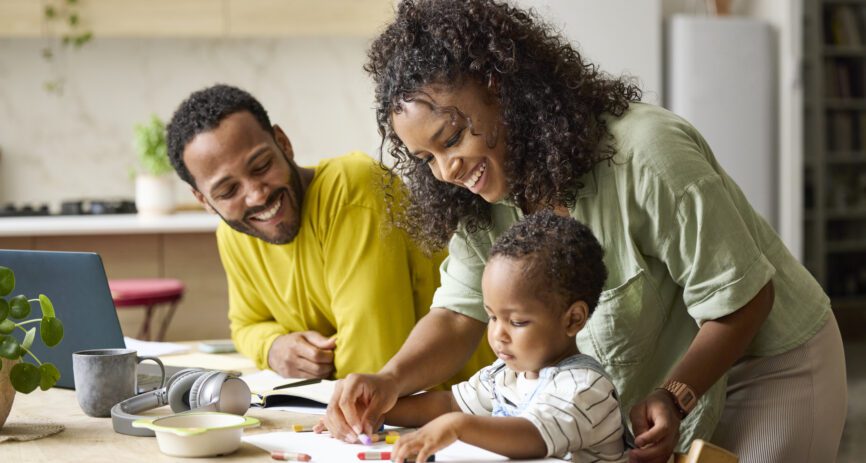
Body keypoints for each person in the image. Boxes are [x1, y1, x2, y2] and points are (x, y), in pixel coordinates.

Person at [325, 1, 848, 462]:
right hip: (665, 395)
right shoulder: (481, 198)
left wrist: (676, 394)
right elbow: (456, 313)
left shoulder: (646, 154)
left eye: (453, 137)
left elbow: (744, 298)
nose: (446, 171)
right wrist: (389, 381)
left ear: (500, 86)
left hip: (768, 368)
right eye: (426, 158)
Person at [165, 84, 494, 381]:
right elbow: (245, 325)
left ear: (283, 143)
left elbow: (372, 365)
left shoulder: (353, 190)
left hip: (465, 408)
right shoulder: (235, 233)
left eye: (261, 166)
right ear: (205, 201)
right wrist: (273, 348)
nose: (257, 195)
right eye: (227, 190)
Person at [381, 211, 630, 463]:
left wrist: (457, 426)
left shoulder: (585, 389)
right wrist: (379, 411)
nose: (499, 333)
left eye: (517, 322)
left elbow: (534, 437)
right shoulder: (503, 375)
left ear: (573, 319)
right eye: (492, 317)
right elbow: (449, 405)